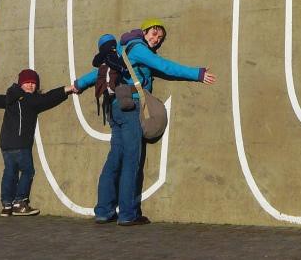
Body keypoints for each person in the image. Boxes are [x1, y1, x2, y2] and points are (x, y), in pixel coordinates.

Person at [74, 19, 216, 226]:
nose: (156, 40)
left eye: (159, 38)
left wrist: (77, 84)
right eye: (154, 34)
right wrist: (197, 73)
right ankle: (127, 214)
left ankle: (104, 211)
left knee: (115, 159)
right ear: (144, 31)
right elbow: (165, 66)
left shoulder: (119, 50)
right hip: (130, 106)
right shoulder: (139, 48)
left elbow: (97, 74)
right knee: (132, 160)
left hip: (113, 107)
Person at [0, 69, 76, 216]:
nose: (31, 86)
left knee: (9, 172)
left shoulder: (10, 98)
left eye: (33, 83)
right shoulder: (30, 100)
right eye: (27, 83)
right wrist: (67, 89)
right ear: (21, 84)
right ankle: (19, 203)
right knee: (27, 171)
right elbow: (48, 98)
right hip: (21, 144)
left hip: (6, 145)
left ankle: (6, 205)